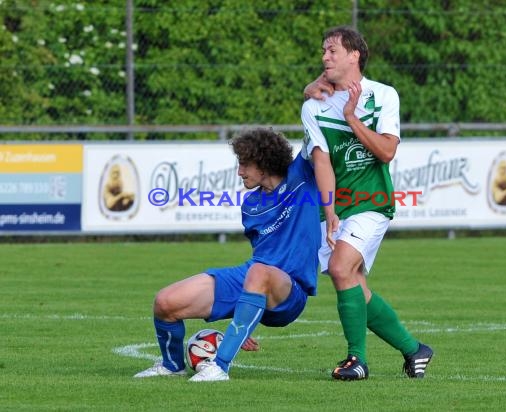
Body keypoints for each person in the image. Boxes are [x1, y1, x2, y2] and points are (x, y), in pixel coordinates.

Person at [134, 128, 321, 382]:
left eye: (245, 165)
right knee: (166, 301)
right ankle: (172, 365)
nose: (239, 172)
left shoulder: (302, 175)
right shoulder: (251, 205)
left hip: (291, 292)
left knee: (259, 272)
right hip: (256, 277)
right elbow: (261, 258)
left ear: (265, 163)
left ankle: (219, 366)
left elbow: (317, 129)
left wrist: (316, 90)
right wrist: (245, 317)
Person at [301, 26, 433, 381]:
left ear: (354, 55)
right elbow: (322, 161)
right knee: (353, 285)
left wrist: (350, 117)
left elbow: (387, 151)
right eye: (323, 51)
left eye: (331, 50)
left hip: (373, 201)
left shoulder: (384, 95)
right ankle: (414, 350)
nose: (324, 56)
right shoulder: (313, 105)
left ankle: (356, 360)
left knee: (342, 269)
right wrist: (328, 210)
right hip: (336, 207)